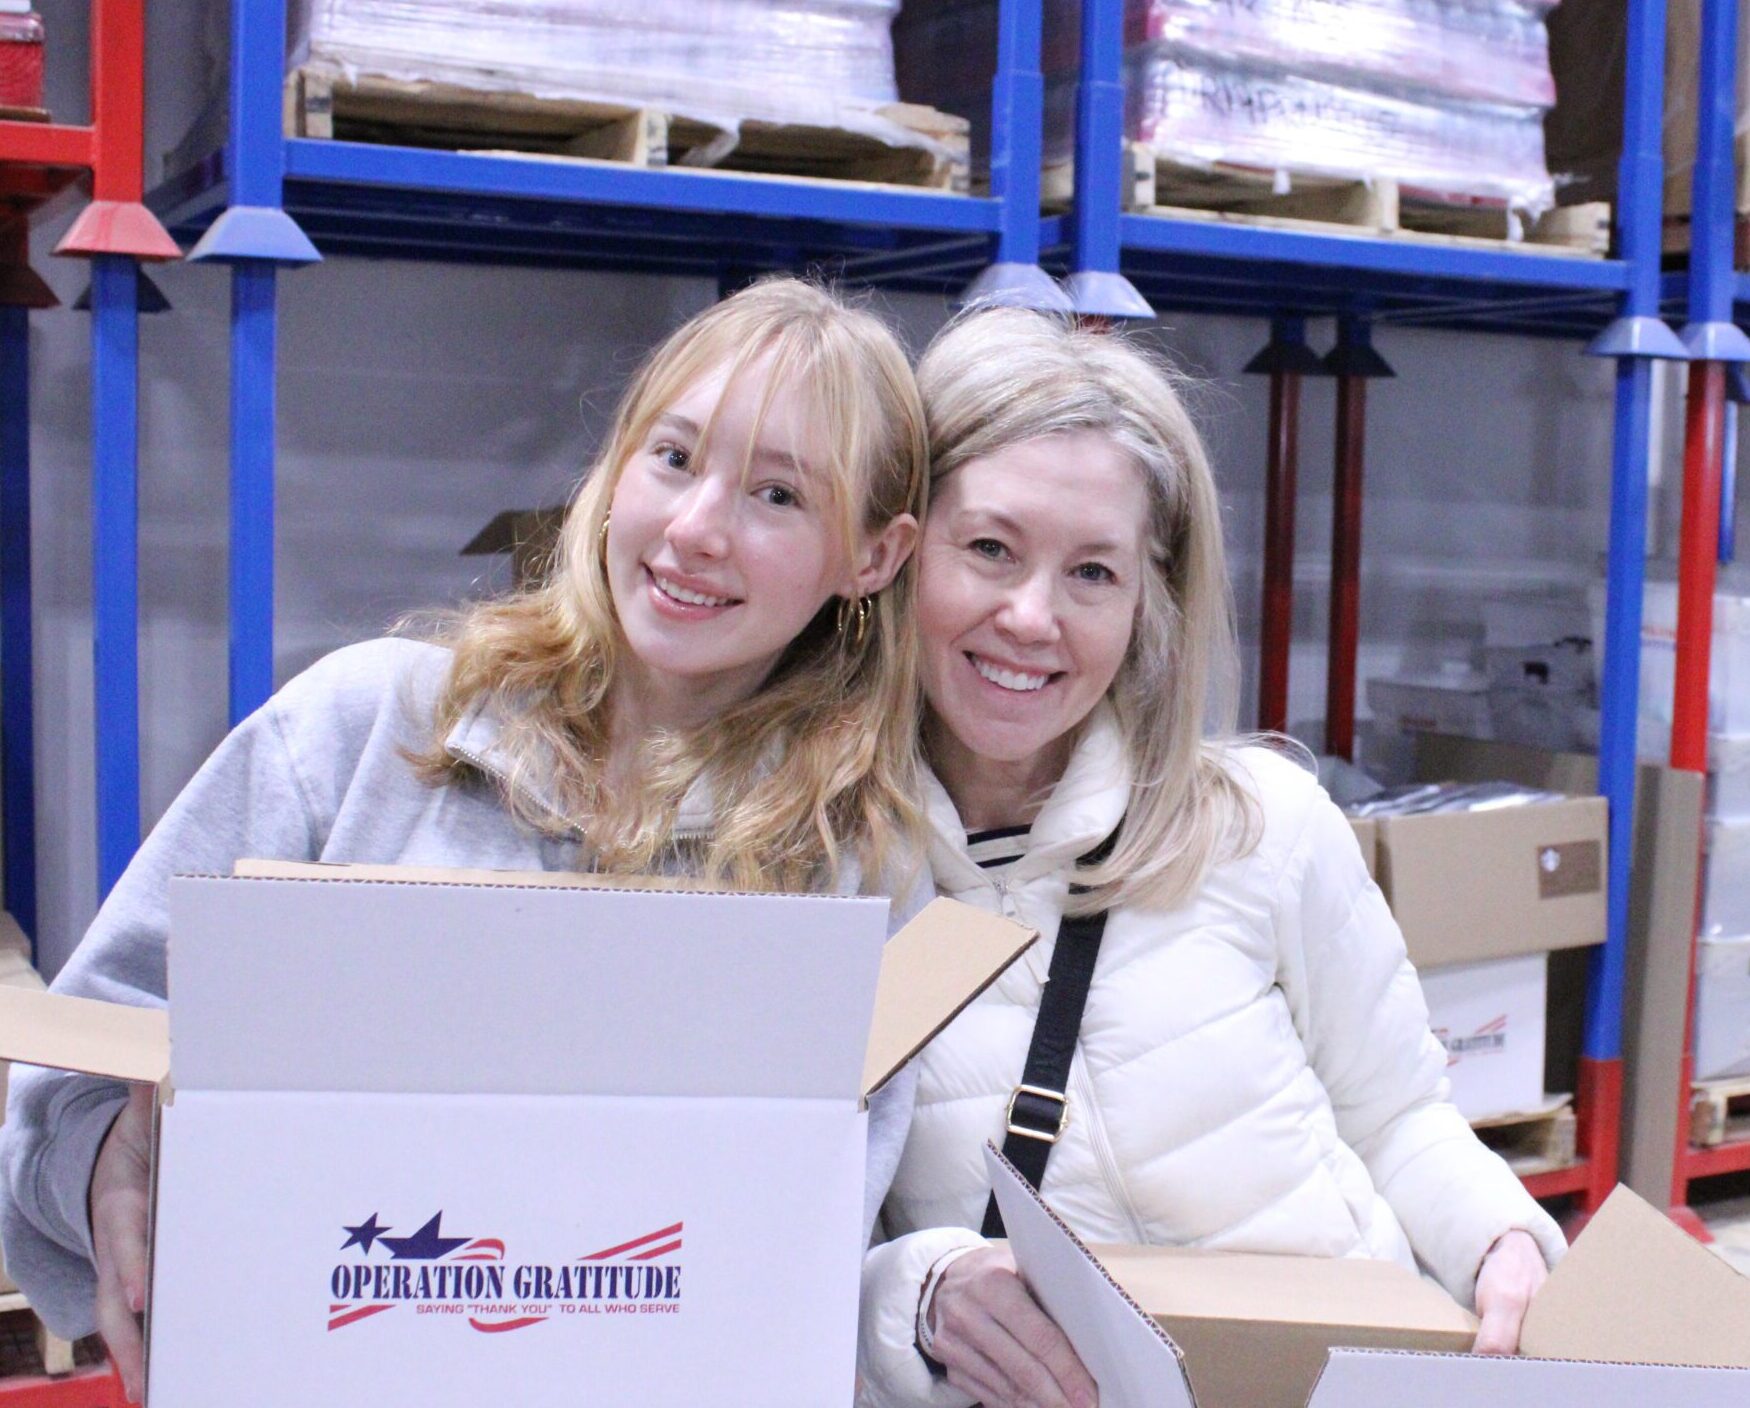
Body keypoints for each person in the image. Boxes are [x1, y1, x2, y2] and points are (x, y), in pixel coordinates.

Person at [2, 278, 929, 1404]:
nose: (694, 529)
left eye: (777, 494)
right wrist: (104, 1163)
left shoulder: (852, 877)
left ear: (873, 558)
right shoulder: (365, 728)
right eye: (673, 459)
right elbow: (78, 1062)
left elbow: (794, 1268)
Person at [857, 309, 1564, 1408]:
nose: (1031, 616)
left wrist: (1500, 1242)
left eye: (1092, 572)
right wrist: (915, 1289)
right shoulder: (826, 884)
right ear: (898, 551)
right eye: (989, 548)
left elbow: (1399, 1116)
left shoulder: (1262, 826)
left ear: (1148, 602)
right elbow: (761, 1237)